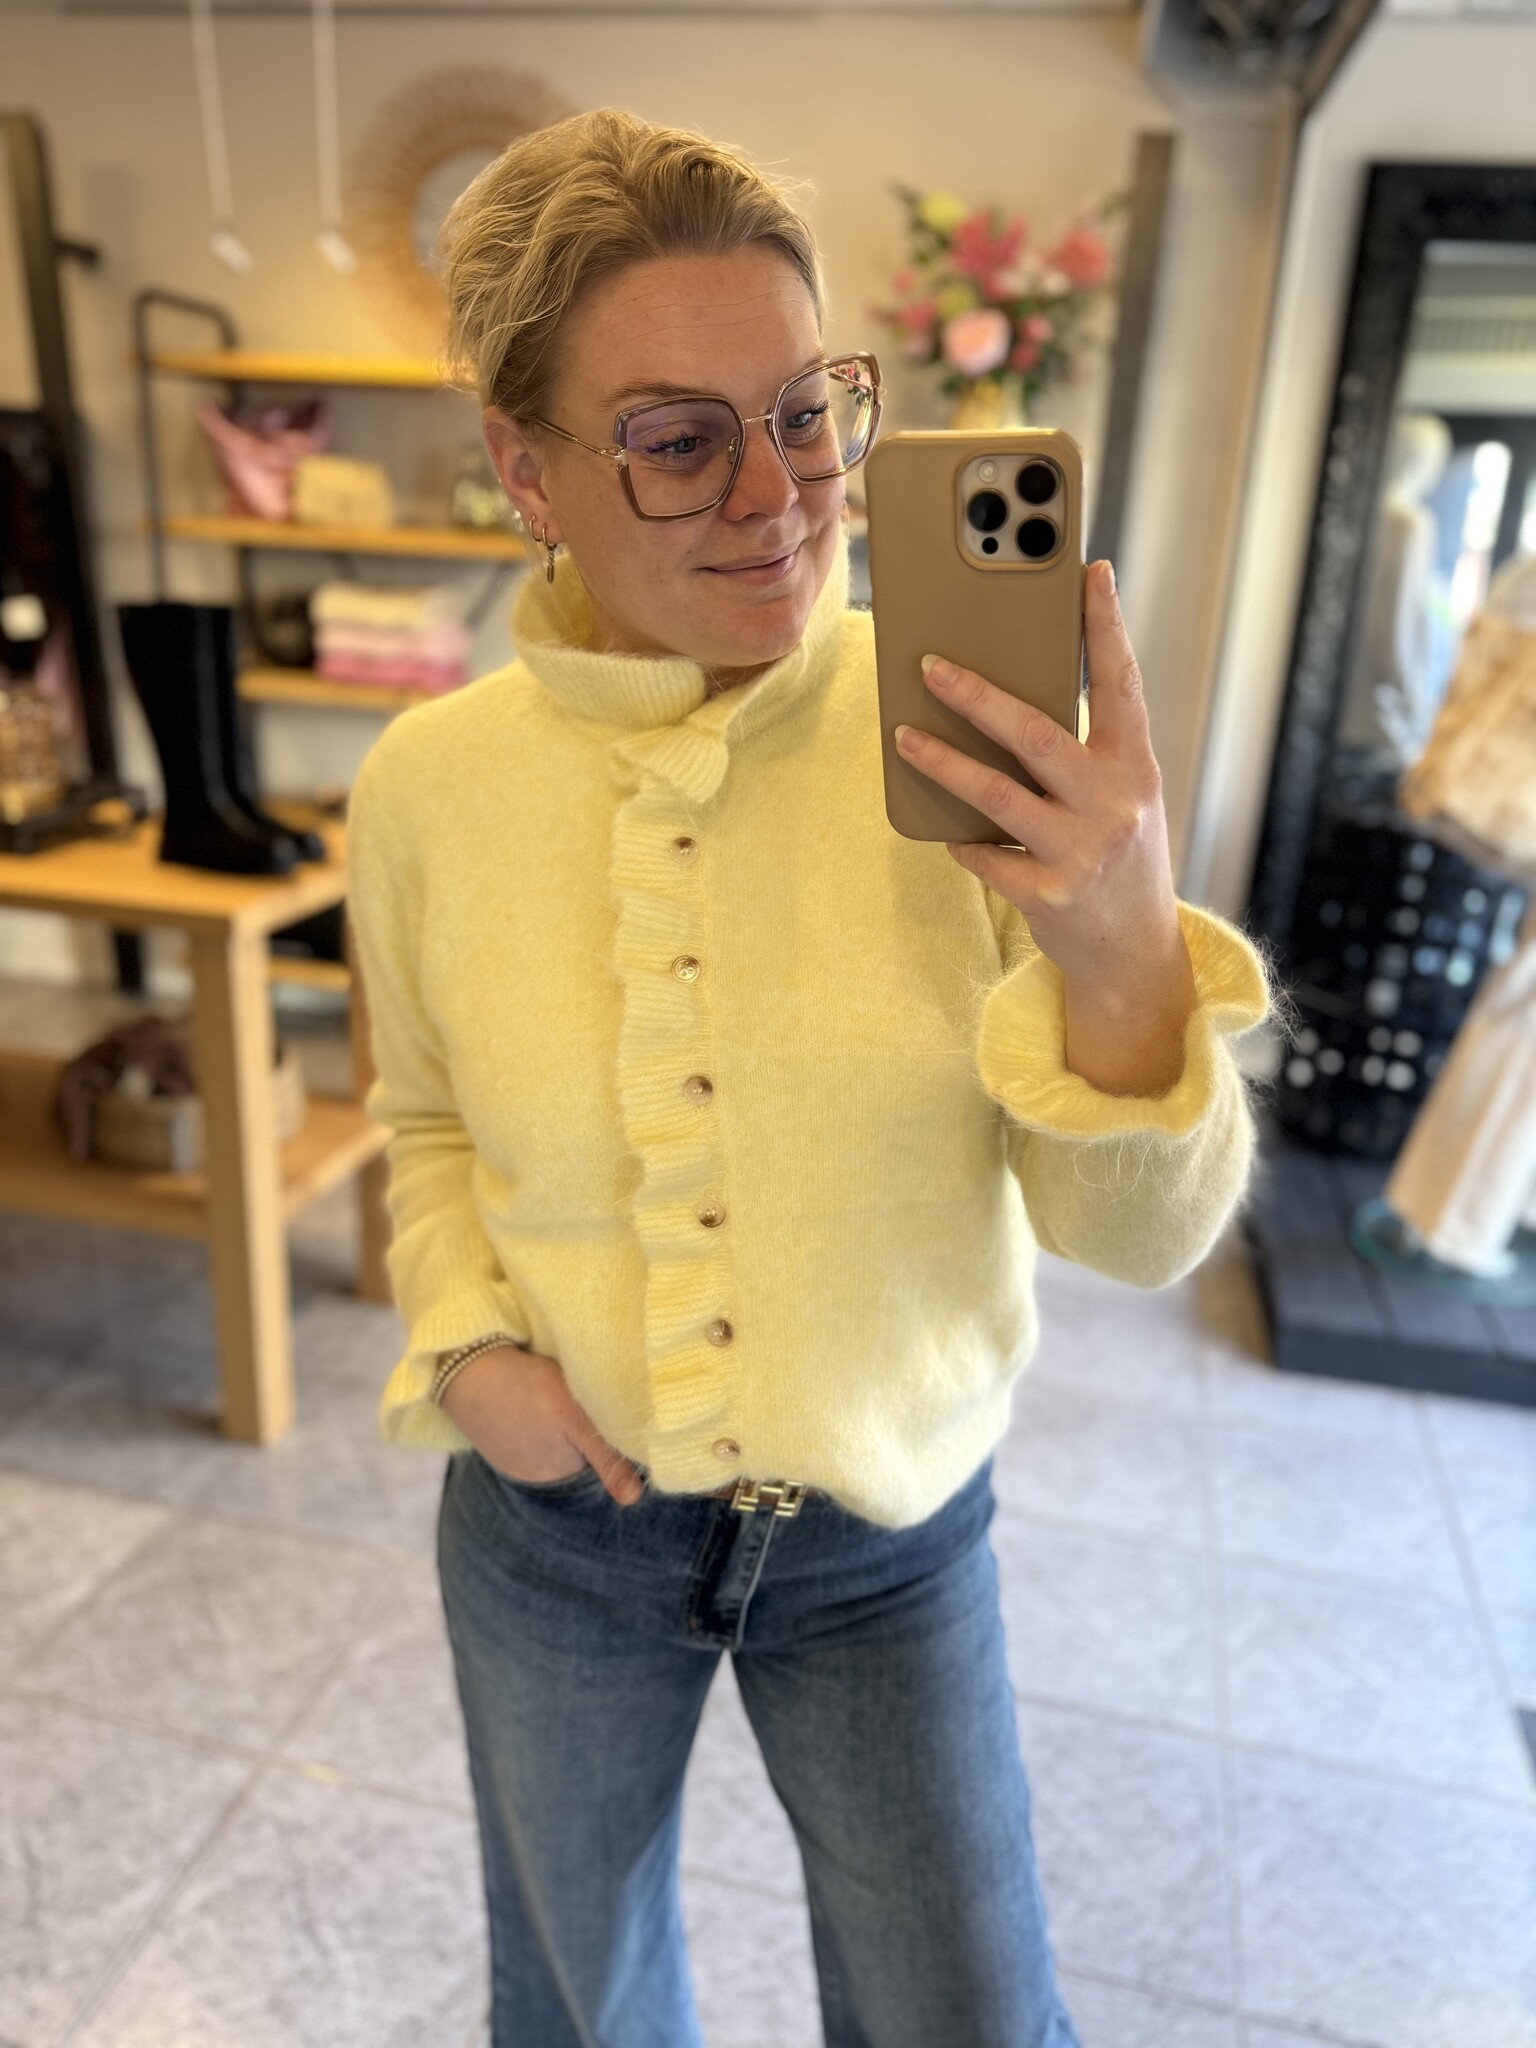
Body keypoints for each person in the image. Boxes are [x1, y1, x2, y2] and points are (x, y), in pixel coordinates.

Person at [344, 107, 1277, 2048]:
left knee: (968, 2014)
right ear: (524, 468)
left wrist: (1120, 944)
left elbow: (1137, 1240)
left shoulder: (967, 743)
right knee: (579, 2004)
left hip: (888, 1536)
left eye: (805, 413)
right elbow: (420, 1120)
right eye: (678, 439)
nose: (778, 494)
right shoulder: (427, 789)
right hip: (556, 1529)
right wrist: (470, 1346)